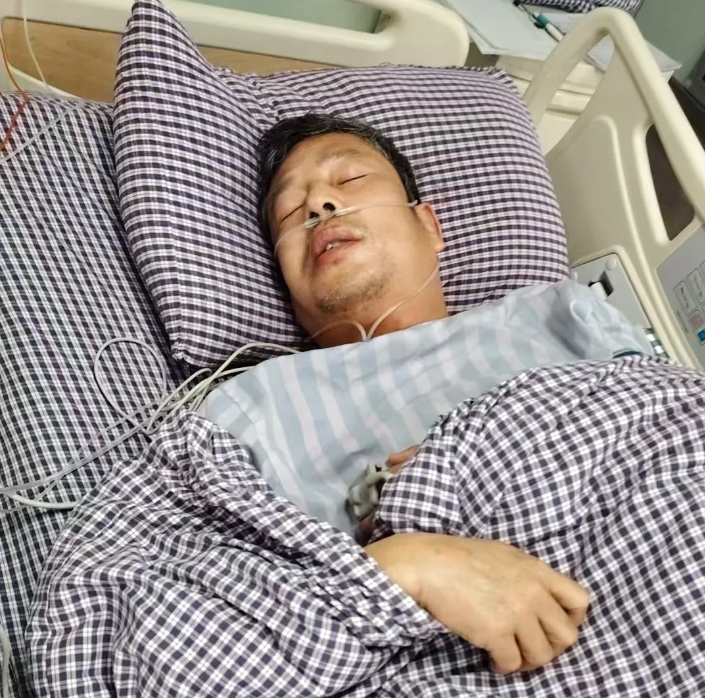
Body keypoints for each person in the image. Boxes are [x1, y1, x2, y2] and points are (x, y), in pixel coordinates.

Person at [256, 113, 591, 677]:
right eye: (291, 212)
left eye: (350, 180)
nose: (319, 205)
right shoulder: (254, 408)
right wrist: (400, 564)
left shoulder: (563, 315)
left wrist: (490, 460)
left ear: (428, 225)